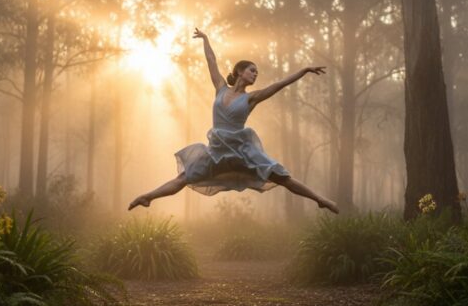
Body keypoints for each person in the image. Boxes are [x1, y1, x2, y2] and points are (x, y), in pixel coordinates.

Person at [128, 28, 339, 214]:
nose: (255, 75)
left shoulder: (252, 97)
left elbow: (279, 85)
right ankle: (148, 197)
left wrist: (303, 71)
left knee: (282, 177)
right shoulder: (220, 88)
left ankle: (320, 200)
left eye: (257, 72)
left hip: (242, 154)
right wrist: (205, 39)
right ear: (239, 71)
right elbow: (212, 61)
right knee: (182, 179)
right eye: (252, 70)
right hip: (216, 153)